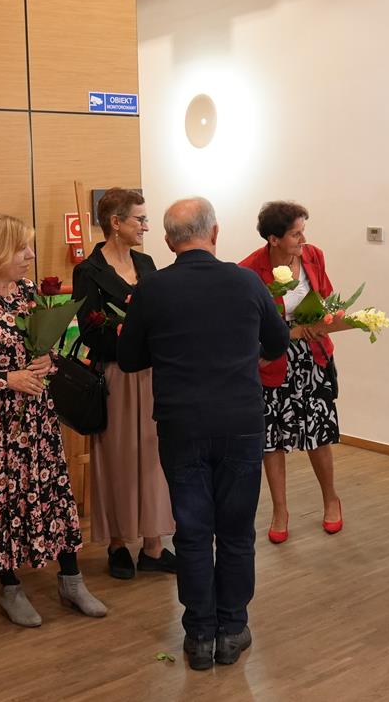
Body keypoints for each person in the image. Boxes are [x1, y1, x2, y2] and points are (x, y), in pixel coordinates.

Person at [118, 197, 289, 670]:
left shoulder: (153, 288)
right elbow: (277, 343)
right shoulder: (247, 282)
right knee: (235, 532)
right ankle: (232, 630)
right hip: (240, 423)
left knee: (192, 534)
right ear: (214, 233)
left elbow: (129, 359)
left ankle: (198, 636)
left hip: (182, 426)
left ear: (168, 241)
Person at [0, 214, 106, 627]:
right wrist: (6, 379)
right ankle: (10, 587)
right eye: (21, 248)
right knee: (1, 502)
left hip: (38, 418)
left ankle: (71, 580)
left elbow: (52, 350)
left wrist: (48, 360)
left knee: (53, 492)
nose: (30, 255)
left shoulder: (30, 293)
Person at [72, 188, 176, 580]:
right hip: (115, 375)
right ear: (116, 223)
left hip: (151, 375)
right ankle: (117, 544)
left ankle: (153, 546)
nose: (146, 226)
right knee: (117, 459)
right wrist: (133, 336)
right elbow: (91, 333)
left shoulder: (146, 263)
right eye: (140, 219)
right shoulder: (88, 271)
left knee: (154, 459)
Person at [239, 201, 342, 543]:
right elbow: (248, 325)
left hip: (313, 358)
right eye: (296, 234)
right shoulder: (250, 270)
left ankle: (331, 500)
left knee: (318, 433)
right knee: (273, 440)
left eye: (303, 231)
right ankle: (280, 510)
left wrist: (325, 320)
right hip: (273, 361)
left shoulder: (313, 256)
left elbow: (326, 299)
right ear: (273, 239)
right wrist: (292, 332)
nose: (303, 239)